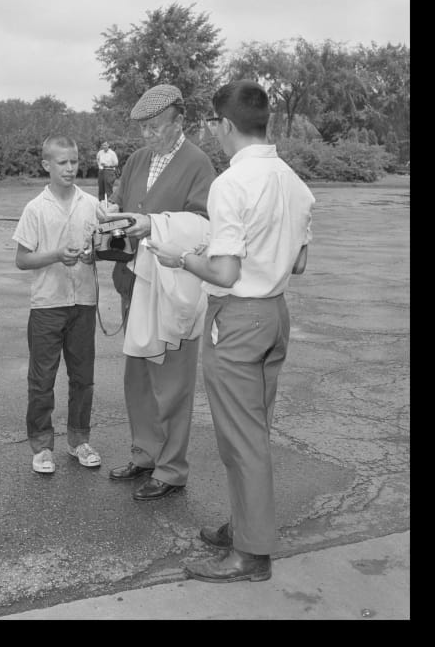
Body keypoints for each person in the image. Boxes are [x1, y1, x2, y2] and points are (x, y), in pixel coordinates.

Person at [147, 79, 315, 583]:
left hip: (239, 317)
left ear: (223, 125)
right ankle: (246, 523)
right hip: (275, 314)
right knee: (253, 431)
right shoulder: (293, 182)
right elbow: (300, 262)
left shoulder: (232, 184)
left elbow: (223, 272)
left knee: (241, 440)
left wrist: (182, 258)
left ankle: (251, 553)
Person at [98, 84, 216, 501]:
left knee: (172, 380)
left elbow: (205, 226)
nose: (147, 136)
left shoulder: (198, 163)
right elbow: (119, 204)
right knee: (139, 376)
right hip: (135, 283)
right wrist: (108, 217)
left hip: (172, 287)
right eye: (142, 129)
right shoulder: (136, 160)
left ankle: (171, 468)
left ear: (179, 120)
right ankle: (145, 453)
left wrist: (155, 224)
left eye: (154, 127)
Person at [13, 135, 101, 475]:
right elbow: (22, 259)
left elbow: (102, 247)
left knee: (83, 377)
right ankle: (41, 446)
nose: (70, 168)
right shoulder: (35, 208)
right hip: (48, 304)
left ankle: (79, 440)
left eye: (74, 162)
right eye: (62, 162)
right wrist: (54, 255)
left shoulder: (91, 204)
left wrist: (96, 252)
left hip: (84, 303)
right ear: (46, 164)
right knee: (42, 379)